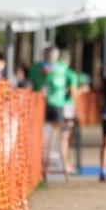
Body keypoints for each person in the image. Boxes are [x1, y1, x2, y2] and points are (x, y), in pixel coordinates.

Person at [31, 47, 74, 178]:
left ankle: (44, 167)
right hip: (57, 106)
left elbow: (33, 83)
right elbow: (72, 81)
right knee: (60, 137)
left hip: (40, 105)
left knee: (43, 137)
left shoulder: (36, 67)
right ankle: (64, 165)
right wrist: (68, 98)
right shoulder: (62, 67)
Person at [60, 50, 89, 176]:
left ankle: (64, 163)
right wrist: (83, 89)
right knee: (65, 137)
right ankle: (65, 164)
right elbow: (72, 93)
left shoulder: (53, 73)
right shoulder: (70, 75)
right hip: (67, 107)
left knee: (60, 136)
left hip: (52, 105)